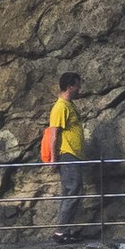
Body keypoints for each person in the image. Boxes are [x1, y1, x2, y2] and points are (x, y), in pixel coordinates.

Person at [43, 72, 88, 237]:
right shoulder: (61, 106)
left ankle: (65, 229)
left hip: (74, 154)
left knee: (70, 191)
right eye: (77, 85)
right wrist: (54, 159)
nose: (79, 88)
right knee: (73, 190)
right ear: (70, 86)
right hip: (67, 154)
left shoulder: (69, 105)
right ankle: (61, 230)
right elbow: (54, 134)